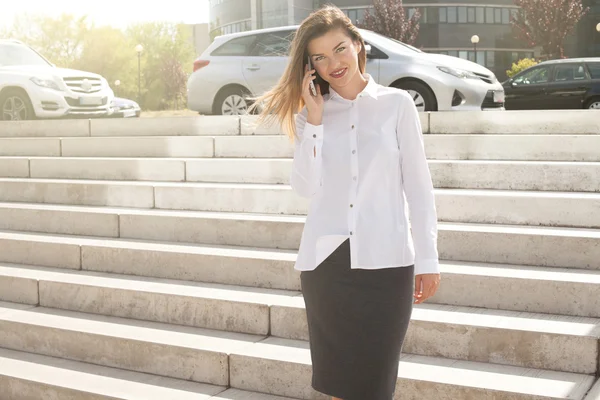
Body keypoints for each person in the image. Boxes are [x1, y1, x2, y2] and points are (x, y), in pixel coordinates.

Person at [252, 5, 441, 400]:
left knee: (375, 386)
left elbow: (419, 188)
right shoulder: (310, 118)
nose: (333, 63)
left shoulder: (397, 105)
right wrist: (316, 122)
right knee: (340, 388)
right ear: (310, 67)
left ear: (358, 45)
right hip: (328, 265)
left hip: (388, 262)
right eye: (320, 57)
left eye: (340, 49)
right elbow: (305, 187)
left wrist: (428, 259)